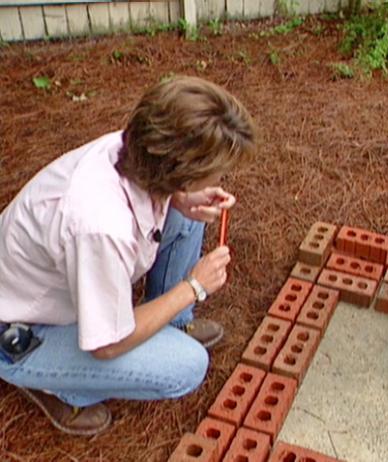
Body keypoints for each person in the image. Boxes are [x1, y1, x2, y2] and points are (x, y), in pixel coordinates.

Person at [0, 76, 256, 435]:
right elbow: (106, 345)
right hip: (21, 328)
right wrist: (193, 287)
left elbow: (162, 194)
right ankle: (50, 381)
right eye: (214, 172)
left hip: (60, 278)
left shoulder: (132, 149)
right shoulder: (101, 225)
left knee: (187, 218)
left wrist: (183, 198)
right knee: (187, 366)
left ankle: (172, 322)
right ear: (180, 173)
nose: (221, 177)